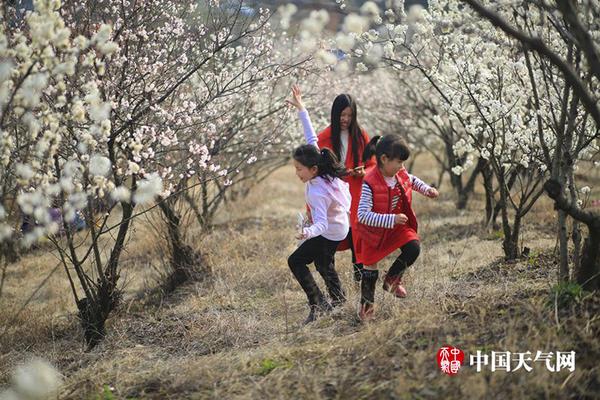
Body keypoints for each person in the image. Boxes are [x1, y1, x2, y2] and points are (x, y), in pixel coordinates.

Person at [286, 85, 352, 324]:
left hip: (331, 229)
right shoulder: (320, 166)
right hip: (339, 226)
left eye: (299, 169)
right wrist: (302, 109)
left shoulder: (316, 190)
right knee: (324, 264)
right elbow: (311, 137)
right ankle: (338, 300)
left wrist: (307, 232)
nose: (297, 173)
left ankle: (319, 304)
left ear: (312, 169)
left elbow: (322, 223)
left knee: (296, 261)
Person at [355, 134, 439, 321]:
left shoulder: (399, 173)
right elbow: (362, 215)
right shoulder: (370, 182)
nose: (402, 166)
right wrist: (390, 219)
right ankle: (366, 309)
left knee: (413, 246)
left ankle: (392, 279)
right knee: (370, 271)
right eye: (399, 162)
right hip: (373, 231)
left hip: (396, 225)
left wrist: (427, 190)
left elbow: (412, 180)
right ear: (384, 159)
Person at [317, 94, 376, 282]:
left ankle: (358, 281)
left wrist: (363, 172)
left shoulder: (361, 135)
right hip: (332, 194)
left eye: (350, 116)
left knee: (356, 238)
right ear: (335, 114)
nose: (346, 120)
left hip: (356, 193)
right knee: (329, 238)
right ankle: (333, 286)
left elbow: (372, 164)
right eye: (342, 115)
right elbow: (316, 169)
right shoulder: (324, 137)